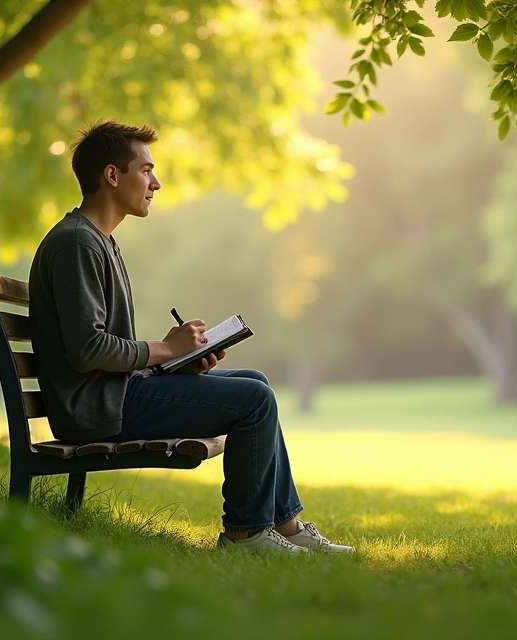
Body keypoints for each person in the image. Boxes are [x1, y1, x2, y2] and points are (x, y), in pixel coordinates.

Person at [28, 120, 352, 554]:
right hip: (97, 410)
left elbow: (98, 345)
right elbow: (87, 350)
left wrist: (170, 361)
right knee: (255, 402)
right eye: (146, 170)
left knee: (255, 381)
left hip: (115, 393)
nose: (155, 183)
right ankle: (245, 534)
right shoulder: (77, 244)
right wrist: (166, 348)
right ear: (112, 175)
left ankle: (286, 524)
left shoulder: (97, 241)